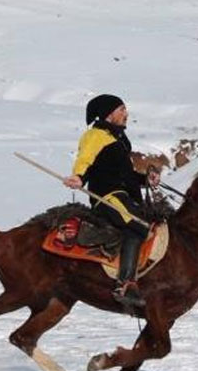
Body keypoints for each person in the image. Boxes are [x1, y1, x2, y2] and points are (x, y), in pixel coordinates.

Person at [64, 94, 160, 307]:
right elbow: (85, 159)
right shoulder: (96, 135)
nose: (126, 114)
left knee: (147, 226)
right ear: (108, 114)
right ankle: (125, 284)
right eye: (121, 110)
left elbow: (126, 175)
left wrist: (146, 179)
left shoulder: (117, 140)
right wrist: (79, 176)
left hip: (124, 197)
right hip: (108, 197)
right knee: (140, 226)